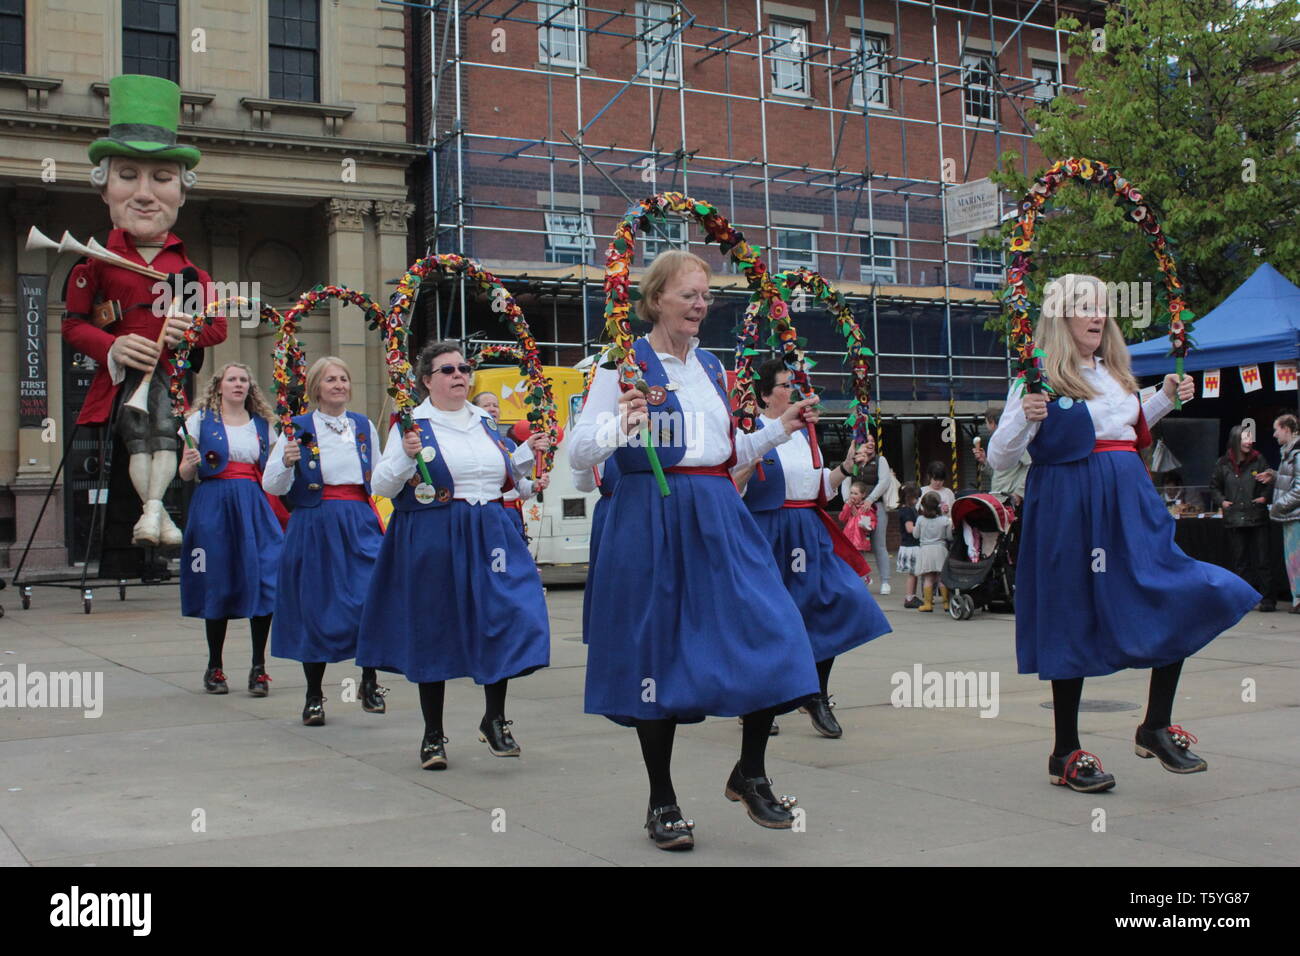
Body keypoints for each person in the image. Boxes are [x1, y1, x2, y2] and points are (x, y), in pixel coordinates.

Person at [569, 249, 822, 851]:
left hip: (718, 512)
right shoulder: (620, 364)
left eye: (705, 294)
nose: (700, 304)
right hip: (651, 515)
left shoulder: (712, 367)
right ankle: (662, 801)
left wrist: (775, 431)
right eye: (688, 294)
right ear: (656, 299)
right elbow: (579, 454)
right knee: (657, 657)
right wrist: (618, 429)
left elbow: (726, 454)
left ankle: (750, 770)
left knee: (775, 628)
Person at [987, 273, 1258, 793]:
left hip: (1129, 498)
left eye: (1102, 308)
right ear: (1061, 317)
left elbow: (1124, 433)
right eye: (1084, 307)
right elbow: (1002, 457)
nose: (1096, 316)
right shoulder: (1035, 378)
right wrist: (1023, 416)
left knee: (1177, 592)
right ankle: (1065, 750)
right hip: (1068, 504)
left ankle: (1155, 725)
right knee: (1073, 613)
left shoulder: (1116, 372)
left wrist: (1164, 398)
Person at [357, 342, 551, 770]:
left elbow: (502, 482)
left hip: (490, 533)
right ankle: (432, 735)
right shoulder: (411, 425)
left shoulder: (484, 421)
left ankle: (495, 718)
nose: (459, 375)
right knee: (435, 628)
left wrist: (524, 458)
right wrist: (406, 457)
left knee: (505, 617)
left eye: (464, 368)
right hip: (435, 532)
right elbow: (383, 486)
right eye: (448, 370)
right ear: (427, 380)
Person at [62, 75, 225, 570]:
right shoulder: (93, 264)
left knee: (164, 437)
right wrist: (111, 347)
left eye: (161, 178)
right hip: (121, 382)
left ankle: (154, 514)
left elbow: (216, 327)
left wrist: (188, 331)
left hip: (170, 378)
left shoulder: (191, 272)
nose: (145, 193)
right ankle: (149, 518)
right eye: (128, 174)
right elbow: (73, 324)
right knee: (141, 438)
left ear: (181, 191)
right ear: (105, 187)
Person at [733, 358, 891, 740]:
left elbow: (817, 487)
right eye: (787, 385)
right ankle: (759, 702)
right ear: (766, 395)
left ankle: (815, 693)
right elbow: (735, 485)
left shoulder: (806, 435)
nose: (796, 392)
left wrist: (847, 466)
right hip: (768, 527)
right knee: (769, 617)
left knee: (839, 599)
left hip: (807, 526)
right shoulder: (750, 431)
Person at [262, 357, 388, 725]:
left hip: (359, 521)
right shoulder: (296, 428)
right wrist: (286, 462)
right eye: (331, 379)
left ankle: (369, 679)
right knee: (314, 607)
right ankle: (314, 695)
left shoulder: (363, 427)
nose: (339, 385)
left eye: (344, 378)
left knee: (369, 598)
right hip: (314, 522)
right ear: (316, 387)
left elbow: (379, 478)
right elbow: (272, 485)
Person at [178, 363, 283, 695]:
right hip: (213, 506)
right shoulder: (198, 422)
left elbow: (275, 471)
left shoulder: (263, 426)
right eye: (232, 379)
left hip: (253, 505)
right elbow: (183, 473)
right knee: (216, 581)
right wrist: (189, 464)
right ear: (219, 386)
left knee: (263, 579)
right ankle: (215, 666)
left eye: (244, 380)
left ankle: (259, 667)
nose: (238, 384)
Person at [1211, 425, 1276, 612]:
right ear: (1236, 440)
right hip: (1234, 517)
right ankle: (1245, 598)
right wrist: (1222, 501)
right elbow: (1214, 486)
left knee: (1263, 560)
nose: (1249, 442)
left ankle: (1268, 599)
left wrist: (1265, 497)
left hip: (1257, 515)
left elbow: (1270, 481)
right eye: (1245, 438)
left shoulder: (1259, 459)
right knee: (1241, 561)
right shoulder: (1223, 463)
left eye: (1250, 438)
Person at [470, 390, 548, 539]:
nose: (493, 409)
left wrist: (535, 485)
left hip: (512, 513)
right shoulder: (472, 443)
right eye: (486, 405)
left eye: (496, 405)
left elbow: (518, 483)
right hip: (487, 512)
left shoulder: (509, 444)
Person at [849, 433, 893, 595]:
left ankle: (885, 581)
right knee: (857, 545)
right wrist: (849, 502)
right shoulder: (853, 462)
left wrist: (871, 499)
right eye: (867, 441)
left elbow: (884, 482)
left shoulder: (880, 461)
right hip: (857, 510)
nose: (871, 443)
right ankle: (862, 578)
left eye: (873, 441)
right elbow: (846, 482)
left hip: (876, 507)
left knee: (879, 545)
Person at [1268, 414, 1300, 613]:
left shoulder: (1296, 453)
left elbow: (1299, 488)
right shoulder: (1289, 453)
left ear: (1287, 429)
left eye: (1276, 429)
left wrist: (1278, 505)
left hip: (1295, 515)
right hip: (1291, 515)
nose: (1274, 434)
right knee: (1292, 560)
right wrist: (1274, 477)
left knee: (1296, 559)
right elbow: (1290, 480)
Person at [975, 405, 1030, 507]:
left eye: (986, 422)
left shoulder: (1014, 439)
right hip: (998, 499)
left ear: (992, 422)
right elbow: (998, 474)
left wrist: (1019, 493)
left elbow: (1030, 466)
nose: (986, 427)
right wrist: (984, 461)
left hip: (1011, 499)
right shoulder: (997, 441)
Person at [913, 491, 952, 612]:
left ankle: (928, 604)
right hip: (940, 550)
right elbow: (949, 537)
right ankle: (946, 603)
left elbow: (915, 535)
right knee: (942, 578)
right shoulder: (945, 520)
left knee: (928, 578)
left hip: (926, 551)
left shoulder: (920, 520)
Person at [837, 479, 875, 577]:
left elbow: (872, 522)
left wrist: (867, 525)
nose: (852, 496)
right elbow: (842, 518)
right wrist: (847, 506)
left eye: (856, 493)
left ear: (863, 495)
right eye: (851, 493)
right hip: (848, 540)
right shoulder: (849, 506)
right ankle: (853, 581)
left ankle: (864, 579)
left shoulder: (866, 508)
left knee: (859, 563)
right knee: (848, 563)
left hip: (860, 541)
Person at [895, 483, 922, 608]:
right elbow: (910, 529)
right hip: (911, 546)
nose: (917, 500)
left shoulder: (907, 509)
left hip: (909, 545)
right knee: (912, 573)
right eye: (915, 497)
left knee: (914, 573)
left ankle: (912, 596)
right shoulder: (907, 511)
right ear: (908, 497)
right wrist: (923, 528)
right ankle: (909, 597)